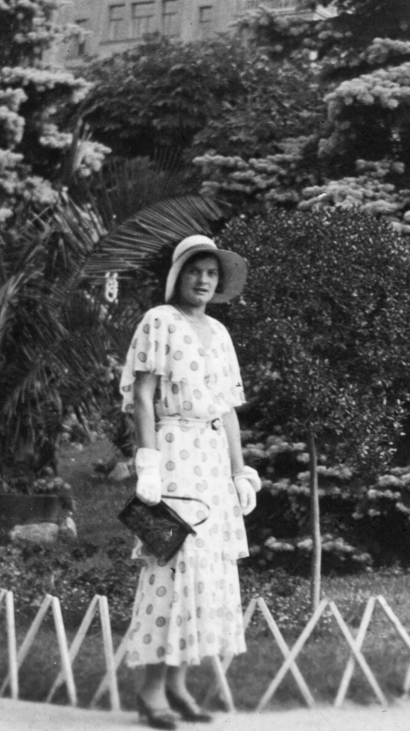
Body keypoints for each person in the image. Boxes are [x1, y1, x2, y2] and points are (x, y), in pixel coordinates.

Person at [120, 234, 261, 728]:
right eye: (196, 271)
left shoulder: (220, 333)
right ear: (178, 274)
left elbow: (227, 410)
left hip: (212, 458)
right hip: (175, 454)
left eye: (212, 274)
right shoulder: (159, 321)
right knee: (172, 563)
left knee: (205, 573)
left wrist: (239, 469)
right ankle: (151, 692)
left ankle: (178, 684)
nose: (204, 281)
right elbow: (142, 397)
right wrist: (148, 461)